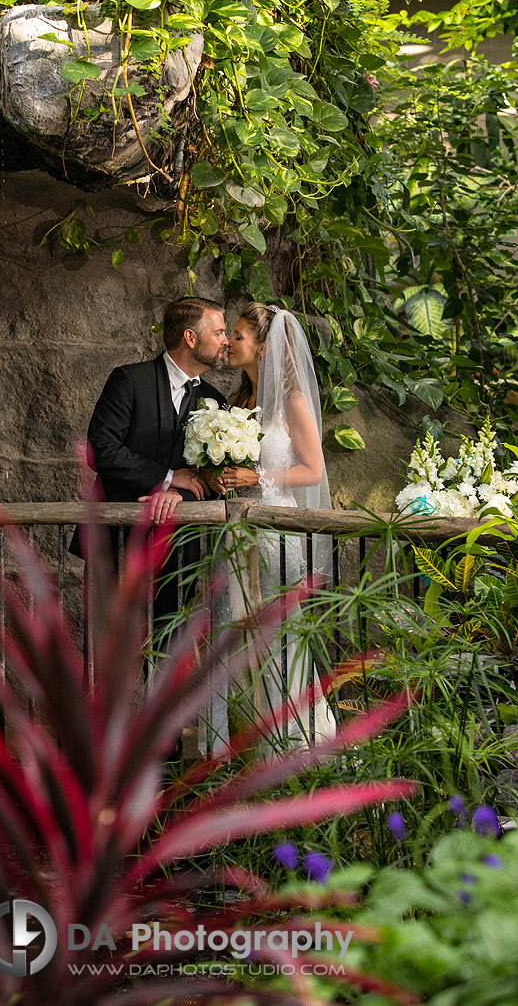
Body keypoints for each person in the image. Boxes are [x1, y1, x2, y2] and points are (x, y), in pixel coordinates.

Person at [201, 302, 337, 751]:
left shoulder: (292, 401)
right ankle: (232, 745)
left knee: (279, 636)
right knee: (231, 634)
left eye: (238, 336)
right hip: (236, 535)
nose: (229, 343)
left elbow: (313, 470)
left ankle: (296, 743)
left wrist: (257, 478)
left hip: (276, 534)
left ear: (262, 347)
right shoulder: (237, 402)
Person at [86, 296, 228, 626]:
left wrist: (181, 493)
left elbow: (212, 479)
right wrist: (167, 477)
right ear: (191, 338)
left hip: (182, 545)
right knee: (113, 647)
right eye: (219, 332)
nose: (225, 341)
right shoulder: (129, 381)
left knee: (169, 642)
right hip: (119, 538)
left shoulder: (215, 401)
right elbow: (101, 450)